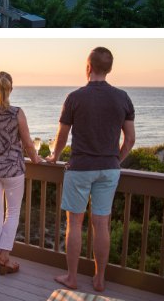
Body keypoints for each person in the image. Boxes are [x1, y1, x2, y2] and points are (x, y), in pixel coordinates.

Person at [47, 46, 136, 293]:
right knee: (101, 223)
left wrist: (54, 155)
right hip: (109, 168)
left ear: (88, 68)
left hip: (81, 168)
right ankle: (99, 279)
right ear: (109, 69)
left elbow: (62, 137)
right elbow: (129, 139)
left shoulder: (75, 97)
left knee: (74, 223)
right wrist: (115, 160)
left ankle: (72, 278)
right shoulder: (123, 97)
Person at [0, 71, 42, 276]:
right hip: (13, 170)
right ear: (10, 89)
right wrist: (37, 159)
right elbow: (29, 144)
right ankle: (3, 257)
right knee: (11, 213)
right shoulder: (17, 113)